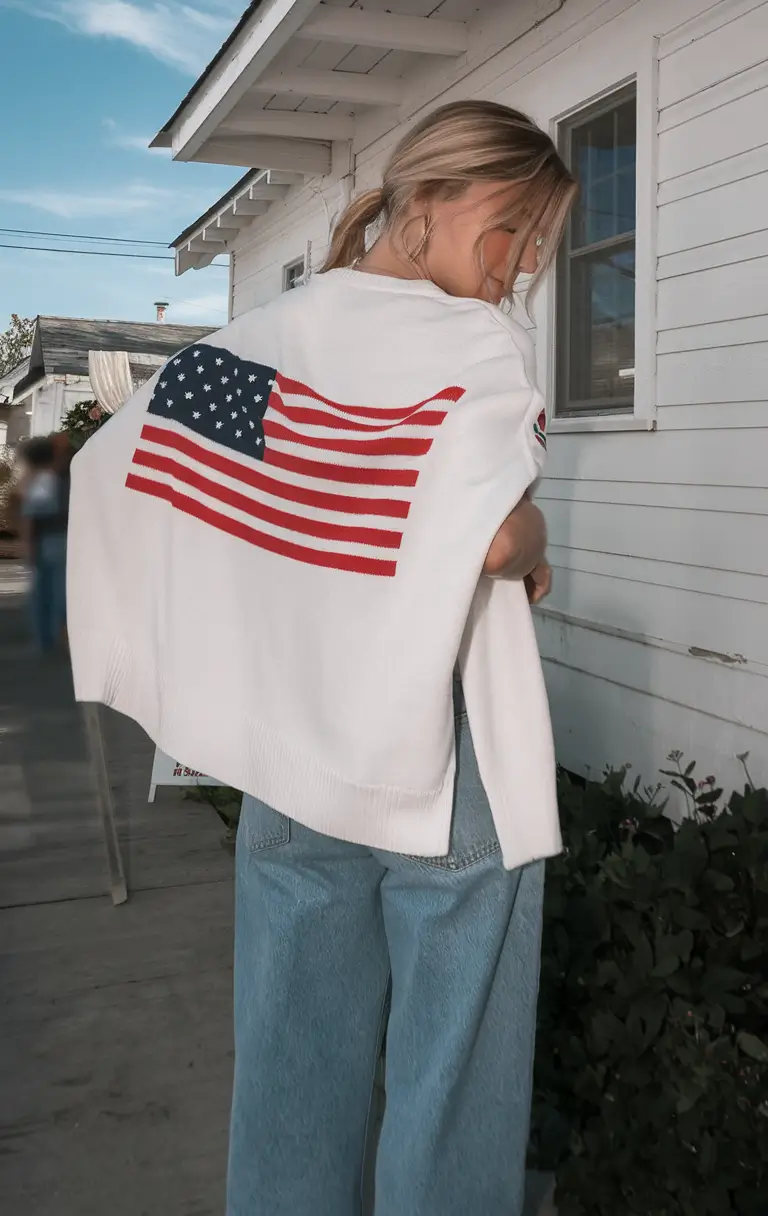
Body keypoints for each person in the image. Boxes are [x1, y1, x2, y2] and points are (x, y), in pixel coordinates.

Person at [66, 100, 576, 1215]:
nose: (526, 261)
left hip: (300, 757)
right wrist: (535, 544)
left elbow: (122, 456)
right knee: (450, 1096)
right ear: (428, 200)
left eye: (541, 238)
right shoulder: (472, 344)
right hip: (450, 758)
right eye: (515, 226)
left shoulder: (273, 336)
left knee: (294, 1079)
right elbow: (491, 535)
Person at [19, 434, 70, 652]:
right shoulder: (62, 478)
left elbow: (33, 515)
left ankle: (45, 639)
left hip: (48, 540)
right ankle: (60, 635)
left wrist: (28, 543)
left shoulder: (41, 480)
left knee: (44, 592)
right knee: (60, 590)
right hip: (64, 538)